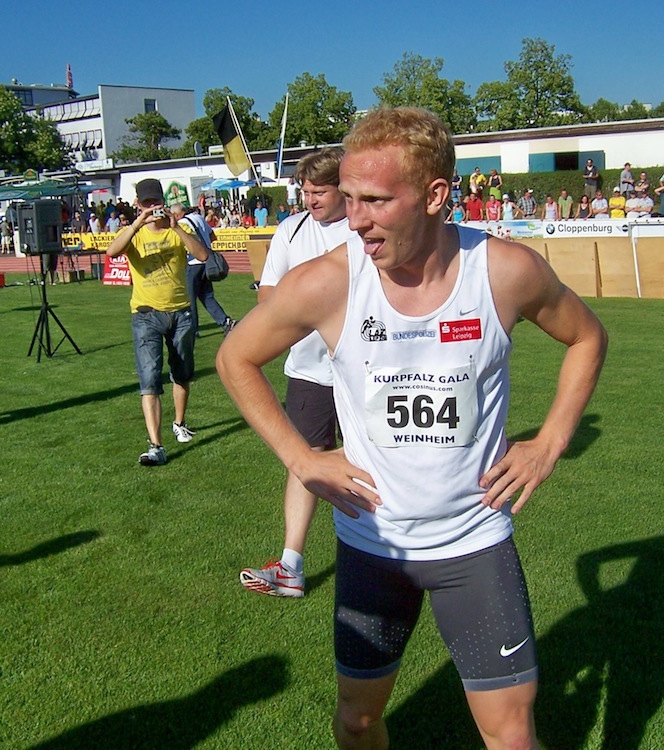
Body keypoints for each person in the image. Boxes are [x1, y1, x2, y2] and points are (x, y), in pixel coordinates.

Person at [217, 106, 607, 750]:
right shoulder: (329, 282)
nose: (355, 218)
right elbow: (236, 357)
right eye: (348, 198)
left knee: (512, 735)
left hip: (474, 543)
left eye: (374, 200)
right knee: (357, 720)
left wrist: (551, 441)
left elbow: (587, 336)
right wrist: (300, 457)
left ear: (434, 196)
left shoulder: (504, 272)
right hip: (373, 546)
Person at [239, 147, 356, 598]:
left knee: (372, 457)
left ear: (343, 189)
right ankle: (291, 565)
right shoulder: (291, 230)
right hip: (308, 371)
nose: (310, 200)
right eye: (305, 192)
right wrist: (303, 315)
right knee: (305, 458)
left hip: (363, 369)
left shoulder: (363, 227)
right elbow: (268, 295)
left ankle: (390, 557)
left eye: (319, 192)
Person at [105, 178, 209, 466]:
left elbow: (202, 255)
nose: (153, 208)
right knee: (149, 380)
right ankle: (156, 445)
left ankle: (179, 422)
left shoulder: (179, 229)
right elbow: (112, 252)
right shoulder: (133, 233)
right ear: (138, 204)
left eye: (156, 202)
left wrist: (177, 227)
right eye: (147, 203)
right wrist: (138, 223)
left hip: (181, 312)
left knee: (182, 372)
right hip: (145, 314)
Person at [169, 204, 237, 337]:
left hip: (192, 263)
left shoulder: (181, 225)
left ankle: (192, 330)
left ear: (176, 215)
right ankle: (225, 321)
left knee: (190, 299)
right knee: (207, 296)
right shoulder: (198, 217)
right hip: (206, 262)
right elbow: (212, 236)